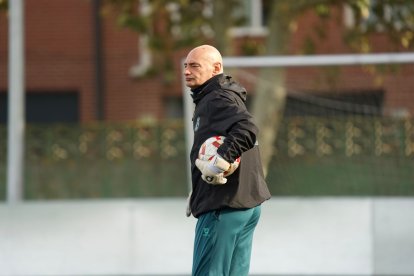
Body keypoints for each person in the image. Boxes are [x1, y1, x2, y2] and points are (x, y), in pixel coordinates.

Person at [184, 44, 271, 276]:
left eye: (194, 65)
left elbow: (247, 129)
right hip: (245, 206)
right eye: (185, 66)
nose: (186, 71)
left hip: (223, 207)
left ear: (216, 68)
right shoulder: (226, 95)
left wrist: (221, 159)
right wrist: (199, 189)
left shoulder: (215, 99)